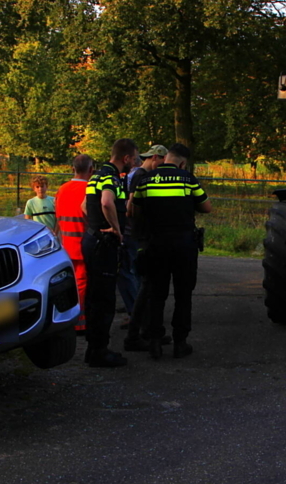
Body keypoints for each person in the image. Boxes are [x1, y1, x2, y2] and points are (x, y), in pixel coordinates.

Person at [131, 143, 211, 360]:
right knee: (183, 295)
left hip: (156, 243)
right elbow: (206, 207)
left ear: (166, 158)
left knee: (157, 295)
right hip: (184, 244)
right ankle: (180, 343)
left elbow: (134, 210)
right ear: (183, 163)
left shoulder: (145, 180)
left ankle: (155, 343)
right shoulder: (188, 179)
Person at [81, 138, 138, 368]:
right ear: (126, 158)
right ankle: (100, 351)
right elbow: (106, 202)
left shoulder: (95, 175)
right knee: (104, 299)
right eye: (133, 158)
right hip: (104, 244)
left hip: (92, 239)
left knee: (94, 296)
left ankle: (92, 347)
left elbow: (84, 207)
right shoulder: (111, 177)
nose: (134, 163)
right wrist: (115, 229)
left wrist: (94, 227)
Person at [122, 144, 169, 351]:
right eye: (164, 162)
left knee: (145, 284)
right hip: (139, 237)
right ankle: (141, 332)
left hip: (136, 235)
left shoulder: (137, 174)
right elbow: (131, 207)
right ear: (156, 158)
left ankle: (147, 330)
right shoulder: (141, 175)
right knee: (145, 285)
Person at [54, 154, 94, 332]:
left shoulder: (62, 189)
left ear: (73, 169)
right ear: (91, 170)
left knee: (71, 283)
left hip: (66, 245)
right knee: (83, 283)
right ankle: (80, 321)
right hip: (83, 244)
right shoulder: (89, 190)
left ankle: (71, 316)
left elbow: (58, 217)